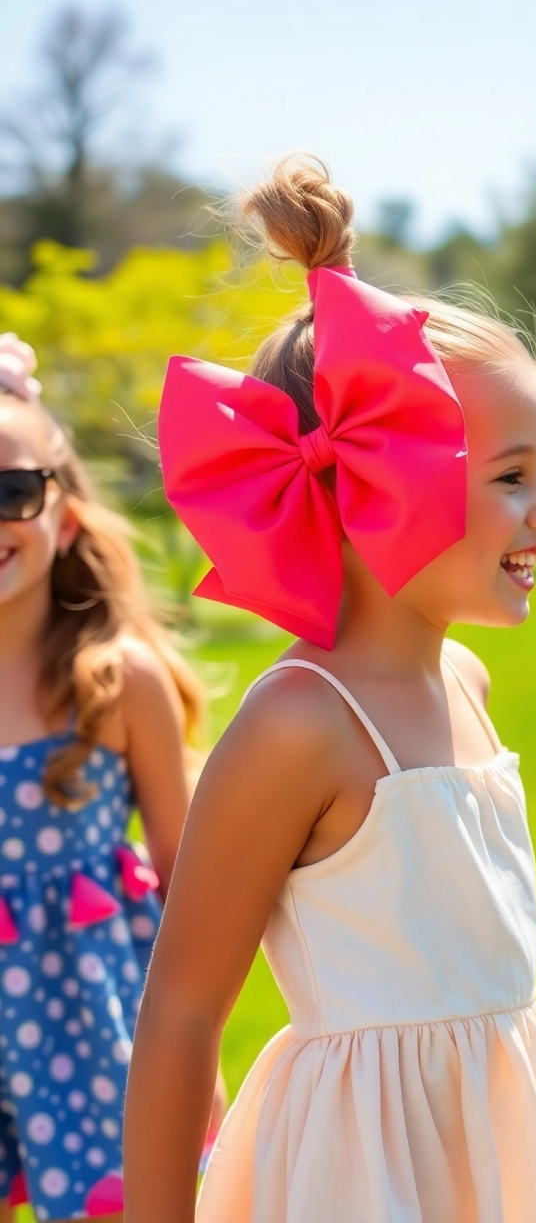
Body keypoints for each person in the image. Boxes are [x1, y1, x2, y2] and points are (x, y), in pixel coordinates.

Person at [123, 154, 536, 1223]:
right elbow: (184, 1012)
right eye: (514, 476)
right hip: (362, 1177)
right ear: (382, 488)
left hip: (490, 1153)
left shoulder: (464, 680)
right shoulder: (303, 723)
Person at [0, 334, 219, 1223]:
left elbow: (190, 882)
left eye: (10, 492)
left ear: (67, 513)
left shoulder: (119, 681)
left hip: (89, 1027)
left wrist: (196, 1055)